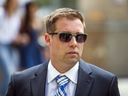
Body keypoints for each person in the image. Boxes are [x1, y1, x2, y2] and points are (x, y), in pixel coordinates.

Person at [5, 8, 120, 96]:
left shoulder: (106, 83)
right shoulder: (19, 83)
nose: (74, 43)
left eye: (79, 36)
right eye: (65, 36)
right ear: (48, 40)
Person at [0, 0, 21, 95]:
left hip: (12, 46)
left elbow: (13, 35)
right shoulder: (1, 13)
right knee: (9, 73)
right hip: (2, 45)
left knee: (14, 75)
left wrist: (19, 38)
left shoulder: (16, 17)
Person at [15, 2, 44, 70]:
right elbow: (18, 34)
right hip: (27, 49)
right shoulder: (23, 21)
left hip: (35, 48)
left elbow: (40, 35)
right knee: (27, 69)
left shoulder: (37, 21)